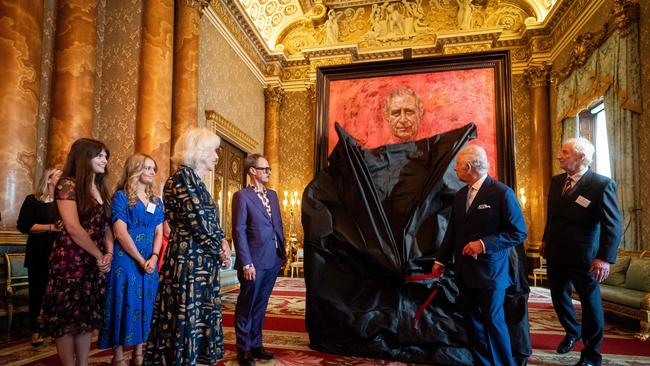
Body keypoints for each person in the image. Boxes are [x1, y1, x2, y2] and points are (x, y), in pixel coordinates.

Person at [144, 127, 232, 365]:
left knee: (198, 314)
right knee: (186, 315)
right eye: (213, 151)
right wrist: (220, 248)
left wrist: (222, 242)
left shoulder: (198, 182)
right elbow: (199, 221)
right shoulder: (182, 178)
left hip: (202, 259)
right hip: (188, 260)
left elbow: (211, 221)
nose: (216, 156)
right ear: (200, 152)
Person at [432, 144, 527, 366]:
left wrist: (483, 244)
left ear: (468, 166)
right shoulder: (460, 195)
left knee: (493, 322)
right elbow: (452, 233)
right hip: (464, 272)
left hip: (491, 272)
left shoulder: (502, 193)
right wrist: (440, 260)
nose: (455, 170)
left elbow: (518, 232)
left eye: (457, 165)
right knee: (472, 322)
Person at [543, 137, 622, 366]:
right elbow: (552, 218)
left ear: (580, 157)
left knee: (590, 304)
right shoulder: (557, 182)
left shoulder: (601, 184)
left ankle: (591, 355)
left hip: (585, 257)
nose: (559, 155)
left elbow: (612, 225)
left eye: (564, 152)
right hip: (556, 253)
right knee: (558, 296)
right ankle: (572, 331)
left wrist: (604, 258)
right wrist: (545, 240)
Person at [39, 138, 113, 366]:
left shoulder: (100, 187)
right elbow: (72, 227)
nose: (105, 160)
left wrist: (108, 252)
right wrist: (98, 254)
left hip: (94, 261)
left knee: (85, 318)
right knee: (66, 319)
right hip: (70, 260)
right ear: (84, 157)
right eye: (99, 155)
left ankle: (82, 363)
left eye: (105, 155)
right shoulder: (67, 184)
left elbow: (107, 226)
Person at [98, 153, 164, 366]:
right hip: (125, 258)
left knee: (146, 302)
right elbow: (120, 232)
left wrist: (153, 257)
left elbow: (158, 231)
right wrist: (139, 259)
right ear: (135, 169)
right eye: (146, 167)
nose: (152, 172)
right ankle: (117, 357)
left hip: (149, 260)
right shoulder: (121, 196)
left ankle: (138, 352)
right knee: (122, 301)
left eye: (153, 168)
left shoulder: (156, 200)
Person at [232, 154, 286, 366]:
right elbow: (239, 230)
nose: (269, 172)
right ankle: (243, 349)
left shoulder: (272, 195)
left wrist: (281, 253)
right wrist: (246, 262)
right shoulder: (242, 196)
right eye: (265, 169)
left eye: (269, 168)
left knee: (261, 305)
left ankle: (256, 344)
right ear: (252, 171)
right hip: (253, 262)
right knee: (247, 305)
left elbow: (277, 225)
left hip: (273, 259)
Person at [16, 167, 63, 347]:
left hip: (59, 254)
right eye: (59, 176)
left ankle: (53, 329)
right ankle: (36, 331)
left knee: (56, 293)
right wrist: (51, 227)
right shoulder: (33, 200)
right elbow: (23, 225)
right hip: (38, 253)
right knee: (38, 293)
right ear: (49, 179)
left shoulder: (63, 202)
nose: (62, 179)